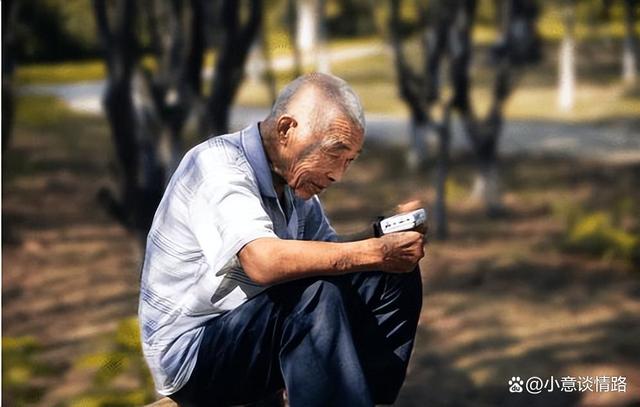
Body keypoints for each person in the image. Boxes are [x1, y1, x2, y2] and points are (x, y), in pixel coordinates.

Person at [139, 73, 426, 407]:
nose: (338, 174)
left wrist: (382, 237)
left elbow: (329, 254)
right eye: (334, 153)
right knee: (312, 294)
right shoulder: (217, 166)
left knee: (390, 276)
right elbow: (262, 262)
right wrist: (374, 251)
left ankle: (367, 398)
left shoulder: (295, 183)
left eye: (349, 160)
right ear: (287, 129)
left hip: (256, 331)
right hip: (193, 354)